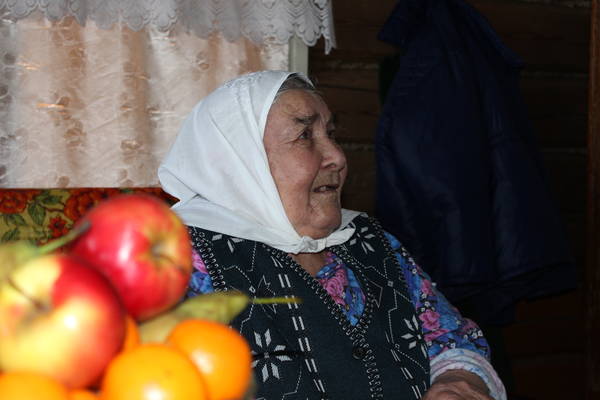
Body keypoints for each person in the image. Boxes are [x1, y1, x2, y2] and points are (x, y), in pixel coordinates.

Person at [158, 71, 506, 400]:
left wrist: (456, 381)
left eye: (332, 134)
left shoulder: (370, 241)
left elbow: (451, 338)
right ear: (240, 162)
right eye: (305, 136)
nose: (337, 157)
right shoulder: (183, 266)